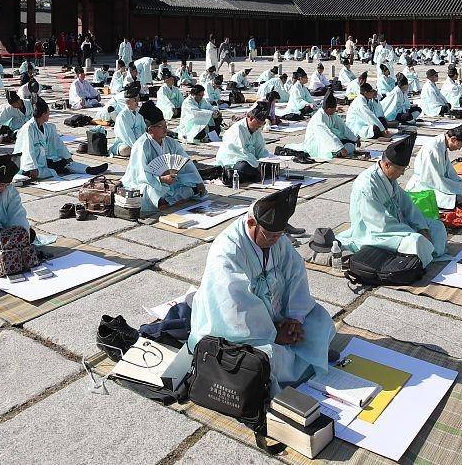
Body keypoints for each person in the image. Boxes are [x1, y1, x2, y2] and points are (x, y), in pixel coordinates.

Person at [189, 187, 335, 392]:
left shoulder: (278, 239)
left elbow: (296, 273)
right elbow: (233, 305)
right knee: (268, 357)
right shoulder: (227, 250)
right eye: (270, 236)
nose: (276, 240)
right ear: (251, 223)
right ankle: (307, 360)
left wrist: (294, 319)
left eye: (280, 234)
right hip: (239, 327)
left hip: (277, 315)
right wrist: (273, 334)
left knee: (321, 322)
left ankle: (308, 355)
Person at [339, 134, 447, 266]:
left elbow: (408, 206)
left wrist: (422, 227)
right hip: (375, 232)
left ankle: (427, 253)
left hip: (398, 224)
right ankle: (423, 256)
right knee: (416, 241)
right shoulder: (366, 185)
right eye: (400, 169)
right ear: (387, 165)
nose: (402, 173)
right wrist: (412, 232)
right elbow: (381, 223)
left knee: (437, 227)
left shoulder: (389, 177)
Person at [121, 101, 204, 214]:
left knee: (190, 186)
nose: (165, 129)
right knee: (149, 192)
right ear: (150, 130)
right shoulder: (142, 145)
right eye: (161, 127)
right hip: (148, 182)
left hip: (170, 180)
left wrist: (197, 181)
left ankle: (169, 201)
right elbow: (141, 174)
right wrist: (161, 179)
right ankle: (166, 201)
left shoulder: (171, 142)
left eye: (166, 126)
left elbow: (186, 163)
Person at [15, 97, 107, 179]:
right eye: (48, 112)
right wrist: (31, 167)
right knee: (47, 171)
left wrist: (66, 156)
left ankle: (88, 170)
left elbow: (58, 143)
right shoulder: (29, 129)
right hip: (31, 165)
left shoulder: (48, 127)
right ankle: (43, 170)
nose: (49, 114)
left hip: (44, 160)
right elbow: (28, 149)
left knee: (65, 163)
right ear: (43, 114)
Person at [406, 120, 462, 211]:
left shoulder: (442, 145)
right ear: (453, 139)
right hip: (424, 187)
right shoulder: (432, 150)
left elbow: (449, 172)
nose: (459, 148)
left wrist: (461, 185)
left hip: (440, 184)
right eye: (461, 145)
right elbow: (433, 181)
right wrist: (458, 188)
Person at [215, 102, 273, 183]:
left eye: (260, 126)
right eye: (258, 125)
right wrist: (257, 165)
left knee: (270, 167)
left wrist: (266, 160)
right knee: (244, 168)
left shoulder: (256, 130)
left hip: (250, 160)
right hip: (234, 159)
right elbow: (242, 153)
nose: (258, 128)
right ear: (251, 118)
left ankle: (256, 173)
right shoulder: (237, 129)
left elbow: (260, 148)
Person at [302, 92, 359, 161]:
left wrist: (354, 139)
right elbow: (326, 135)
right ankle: (336, 152)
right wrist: (339, 147)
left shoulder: (332, 114)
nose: (336, 110)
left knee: (351, 145)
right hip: (317, 142)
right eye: (334, 108)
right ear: (329, 109)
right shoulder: (319, 119)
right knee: (340, 149)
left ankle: (339, 151)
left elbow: (343, 127)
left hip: (331, 140)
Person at [110, 84, 148, 157]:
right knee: (125, 150)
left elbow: (143, 130)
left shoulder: (138, 115)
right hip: (124, 142)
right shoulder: (122, 116)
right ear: (127, 102)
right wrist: (137, 146)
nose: (137, 103)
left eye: (138, 100)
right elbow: (127, 135)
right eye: (135, 100)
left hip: (138, 141)